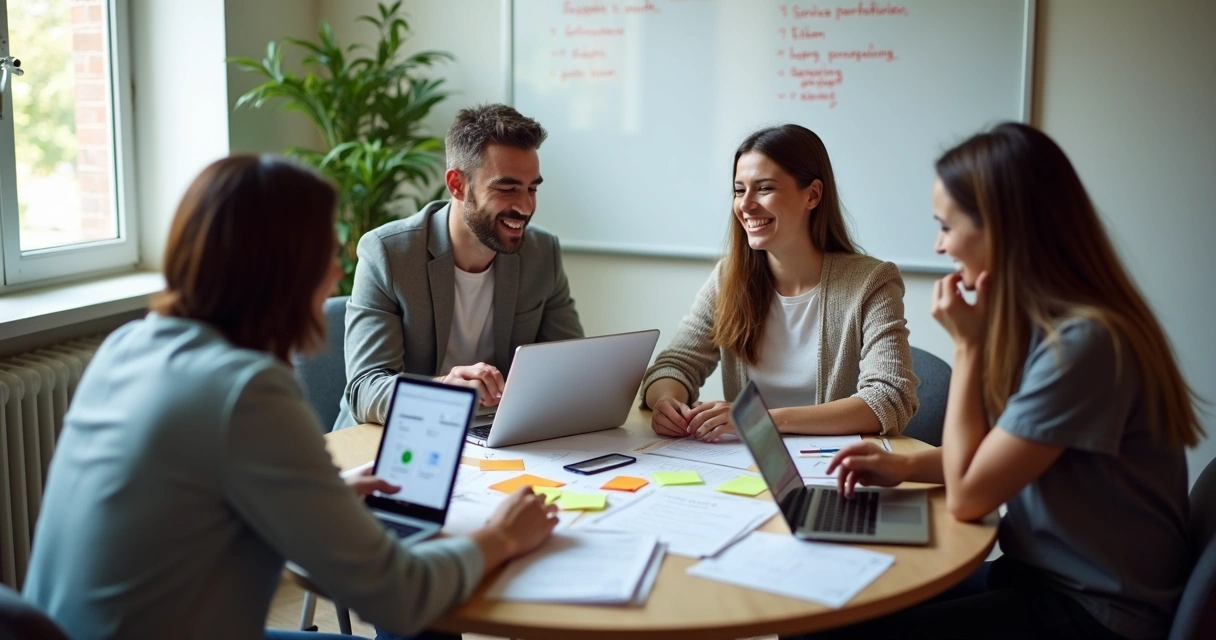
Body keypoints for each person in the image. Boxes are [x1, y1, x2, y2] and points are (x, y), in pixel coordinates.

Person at [22, 156, 559, 640]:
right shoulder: (247, 389)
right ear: (279, 269)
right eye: (323, 253)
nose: (333, 274)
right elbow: (400, 595)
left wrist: (321, 494)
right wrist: (502, 537)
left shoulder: (129, 344)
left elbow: (193, 504)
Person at [818, 122, 1203, 639]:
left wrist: (967, 347)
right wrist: (901, 465)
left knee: (833, 628)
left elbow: (970, 497)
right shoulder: (1051, 327)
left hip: (1097, 611)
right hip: (1042, 577)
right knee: (830, 604)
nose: (939, 245)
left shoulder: (1084, 346)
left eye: (947, 226)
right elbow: (989, 460)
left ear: (1002, 228)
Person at [641, 124, 918, 441]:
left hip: (831, 472)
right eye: (739, 190)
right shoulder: (727, 277)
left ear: (812, 195)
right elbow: (674, 365)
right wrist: (667, 401)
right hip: (742, 466)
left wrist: (760, 419)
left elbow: (888, 399)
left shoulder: (871, 283)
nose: (745, 205)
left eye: (764, 188)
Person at [340, 103, 584, 430]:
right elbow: (364, 390)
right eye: (507, 188)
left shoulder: (542, 253)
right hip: (396, 435)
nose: (525, 206)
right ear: (457, 184)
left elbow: (572, 369)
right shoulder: (388, 253)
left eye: (532, 188)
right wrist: (443, 389)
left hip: (495, 436)